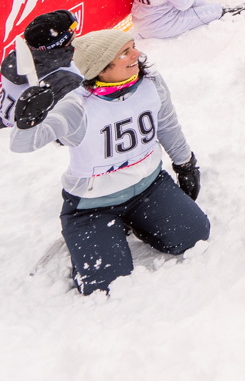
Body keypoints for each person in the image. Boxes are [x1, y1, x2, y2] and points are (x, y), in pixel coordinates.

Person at [10, 28, 208, 295]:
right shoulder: (76, 106)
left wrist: (185, 163)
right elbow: (23, 145)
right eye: (125, 52)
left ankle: (135, 221)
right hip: (92, 207)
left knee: (194, 235)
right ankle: (93, 235)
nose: (137, 54)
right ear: (101, 69)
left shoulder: (151, 82)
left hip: (149, 188)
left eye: (133, 46)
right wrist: (27, 122)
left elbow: (167, 125)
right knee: (105, 284)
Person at [0, 10, 82, 128]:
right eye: (72, 30)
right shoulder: (67, 81)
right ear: (63, 41)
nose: (76, 34)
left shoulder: (15, 58)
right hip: (26, 140)